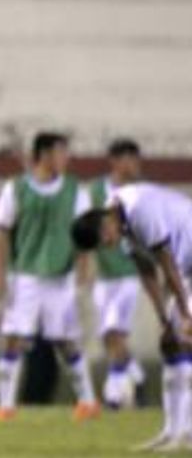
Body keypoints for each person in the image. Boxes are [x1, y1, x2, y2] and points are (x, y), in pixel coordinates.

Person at [72, 183, 192, 450]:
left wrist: (184, 312)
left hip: (185, 266)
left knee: (185, 337)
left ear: (105, 224)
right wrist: (164, 320)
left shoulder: (139, 209)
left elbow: (167, 264)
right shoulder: (122, 223)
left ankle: (186, 434)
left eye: (105, 240)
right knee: (172, 346)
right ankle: (171, 432)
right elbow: (147, 272)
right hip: (187, 269)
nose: (108, 245)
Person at [0, 132, 98, 422]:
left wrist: (83, 269)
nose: (67, 158)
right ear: (44, 155)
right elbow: (0, 231)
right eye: (62, 152)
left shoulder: (76, 191)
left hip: (60, 278)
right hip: (24, 276)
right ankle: (6, 406)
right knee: (14, 338)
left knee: (67, 341)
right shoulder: (16, 188)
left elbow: (85, 233)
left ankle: (87, 402)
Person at [88, 139, 146, 410]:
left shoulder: (141, 193)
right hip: (103, 276)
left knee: (115, 332)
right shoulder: (96, 191)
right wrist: (82, 266)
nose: (135, 166)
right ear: (115, 161)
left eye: (136, 160)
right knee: (107, 336)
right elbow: (84, 228)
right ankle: (137, 376)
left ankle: (113, 395)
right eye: (129, 159)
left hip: (128, 274)